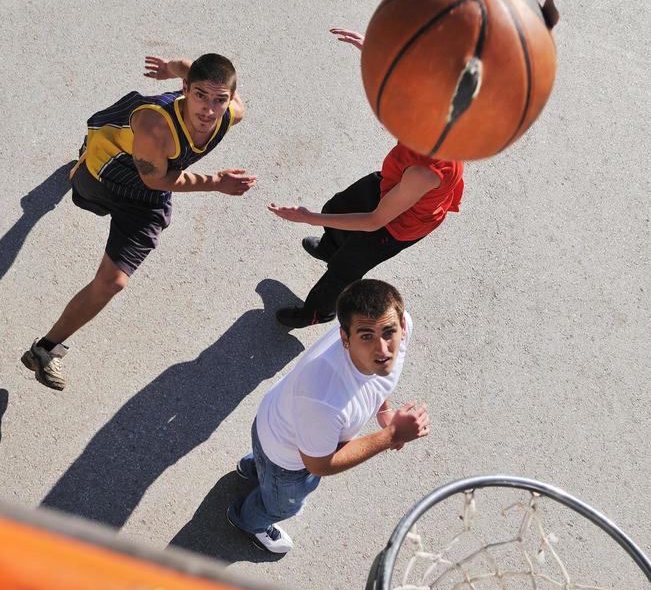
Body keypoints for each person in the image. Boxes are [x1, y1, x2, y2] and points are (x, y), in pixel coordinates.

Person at [21, 54, 254, 390]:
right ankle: (78, 164)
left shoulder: (231, 113)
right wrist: (216, 183)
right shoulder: (155, 127)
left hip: (147, 196)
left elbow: (200, 78)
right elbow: (157, 180)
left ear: (230, 99)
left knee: (113, 282)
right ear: (186, 90)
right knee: (84, 190)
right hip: (109, 172)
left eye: (219, 99)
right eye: (200, 95)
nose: (208, 109)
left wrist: (174, 68)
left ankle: (44, 349)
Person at [268, 28, 464, 328]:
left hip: (397, 223)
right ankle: (330, 248)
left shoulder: (424, 172)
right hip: (393, 182)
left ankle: (317, 312)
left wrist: (307, 217)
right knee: (336, 208)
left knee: (344, 270)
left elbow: (375, 221)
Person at [227, 278, 429, 553]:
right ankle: (247, 521)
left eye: (388, 332)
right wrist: (391, 435)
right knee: (279, 504)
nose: (382, 350)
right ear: (345, 338)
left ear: (401, 326)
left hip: (277, 424)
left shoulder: (400, 325)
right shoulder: (323, 399)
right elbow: (319, 465)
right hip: (289, 462)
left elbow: (376, 380)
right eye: (366, 336)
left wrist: (384, 410)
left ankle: (255, 469)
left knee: (264, 465)